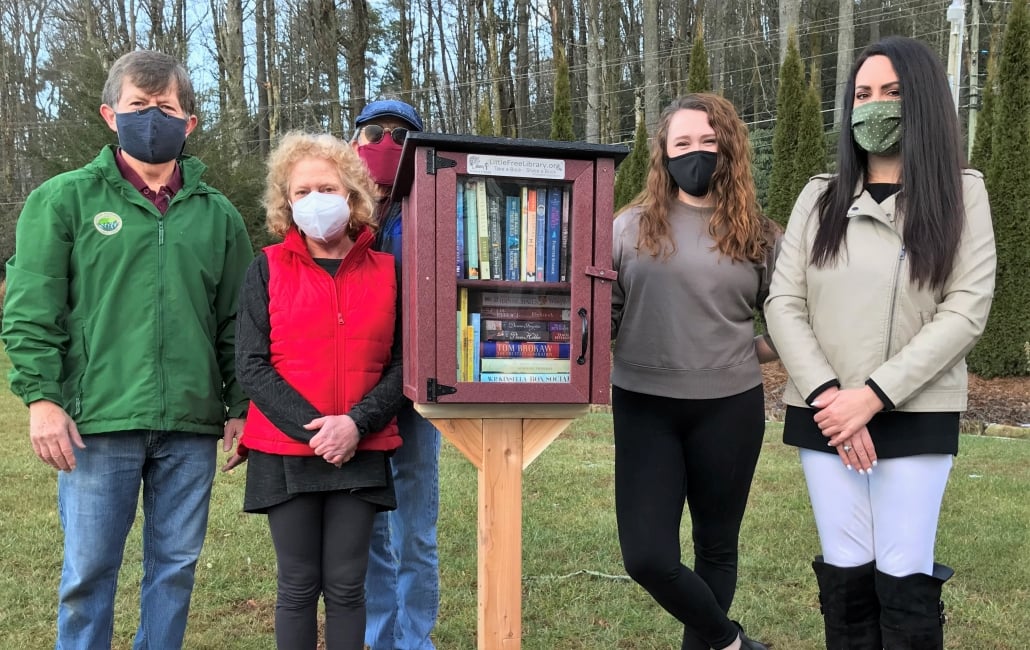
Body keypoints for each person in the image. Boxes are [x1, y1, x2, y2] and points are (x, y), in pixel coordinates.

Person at [0, 50, 253, 649]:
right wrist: (40, 397)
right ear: (110, 114)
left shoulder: (219, 218)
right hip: (97, 422)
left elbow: (238, 325)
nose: (152, 117)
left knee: (175, 570)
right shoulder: (64, 200)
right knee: (88, 575)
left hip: (191, 424)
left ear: (188, 123)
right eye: (139, 106)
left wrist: (241, 408)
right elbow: (31, 307)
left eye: (166, 106)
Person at [764, 36, 996, 650]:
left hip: (913, 413)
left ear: (920, 100)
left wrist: (873, 397)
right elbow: (783, 304)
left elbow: (966, 310)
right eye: (862, 95)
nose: (874, 107)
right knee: (845, 576)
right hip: (825, 414)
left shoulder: (962, 194)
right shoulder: (818, 197)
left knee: (904, 575)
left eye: (891, 93)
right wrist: (830, 398)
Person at [224, 131, 406, 649]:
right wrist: (316, 430)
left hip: (362, 445)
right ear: (286, 202)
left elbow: (402, 363)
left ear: (352, 196)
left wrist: (355, 424)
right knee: (298, 586)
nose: (314, 200)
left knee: (349, 587)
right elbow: (252, 364)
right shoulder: (266, 268)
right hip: (285, 451)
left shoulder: (388, 273)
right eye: (301, 192)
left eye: (326, 187)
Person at [610, 93, 779, 650]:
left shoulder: (760, 234)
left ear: (728, 149)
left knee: (715, 548)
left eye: (709, 142)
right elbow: (600, 314)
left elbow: (792, 318)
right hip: (644, 405)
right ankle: (731, 642)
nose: (697, 154)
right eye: (683, 143)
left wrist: (748, 351)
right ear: (662, 153)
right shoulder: (627, 228)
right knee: (647, 556)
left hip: (730, 408)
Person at [351, 99, 443, 650]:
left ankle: (416, 641)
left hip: (414, 389)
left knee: (415, 527)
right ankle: (378, 637)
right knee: (365, 528)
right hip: (355, 389)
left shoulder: (431, 209)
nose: (387, 143)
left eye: (400, 134)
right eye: (375, 132)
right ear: (355, 142)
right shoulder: (339, 210)